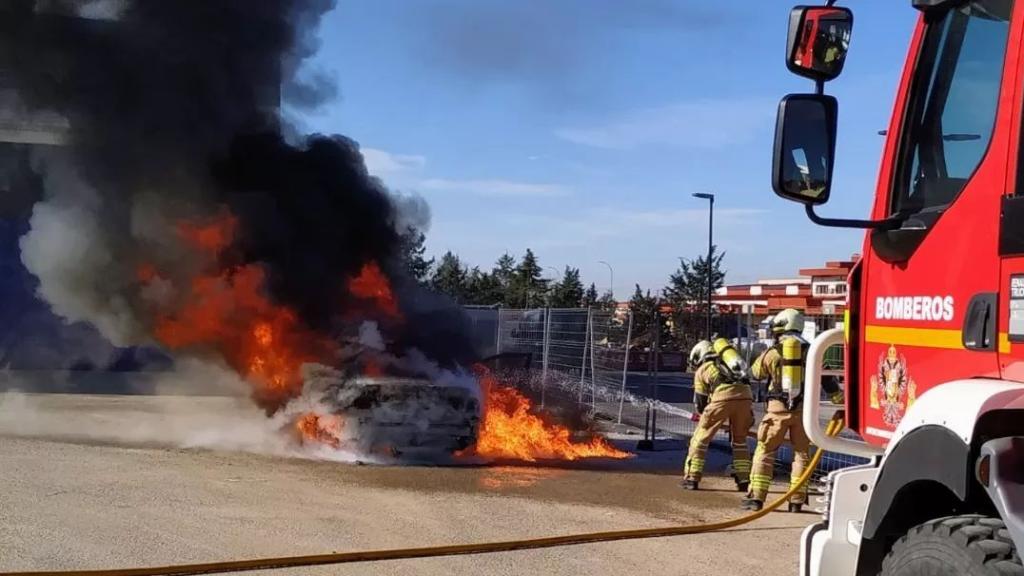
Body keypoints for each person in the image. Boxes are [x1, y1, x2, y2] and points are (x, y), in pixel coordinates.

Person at [741, 308, 843, 512]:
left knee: (765, 451)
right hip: (804, 412)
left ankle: (756, 498)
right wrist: (839, 401)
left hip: (777, 411)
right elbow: (828, 381)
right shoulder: (813, 352)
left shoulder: (773, 352)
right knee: (802, 454)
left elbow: (755, 374)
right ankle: (796, 501)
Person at [682, 338, 754, 492]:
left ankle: (692, 478)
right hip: (746, 399)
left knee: (700, 439)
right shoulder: (732, 365)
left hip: (722, 399)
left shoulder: (704, 369)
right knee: (740, 441)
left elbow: (700, 401)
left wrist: (704, 417)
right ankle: (743, 479)